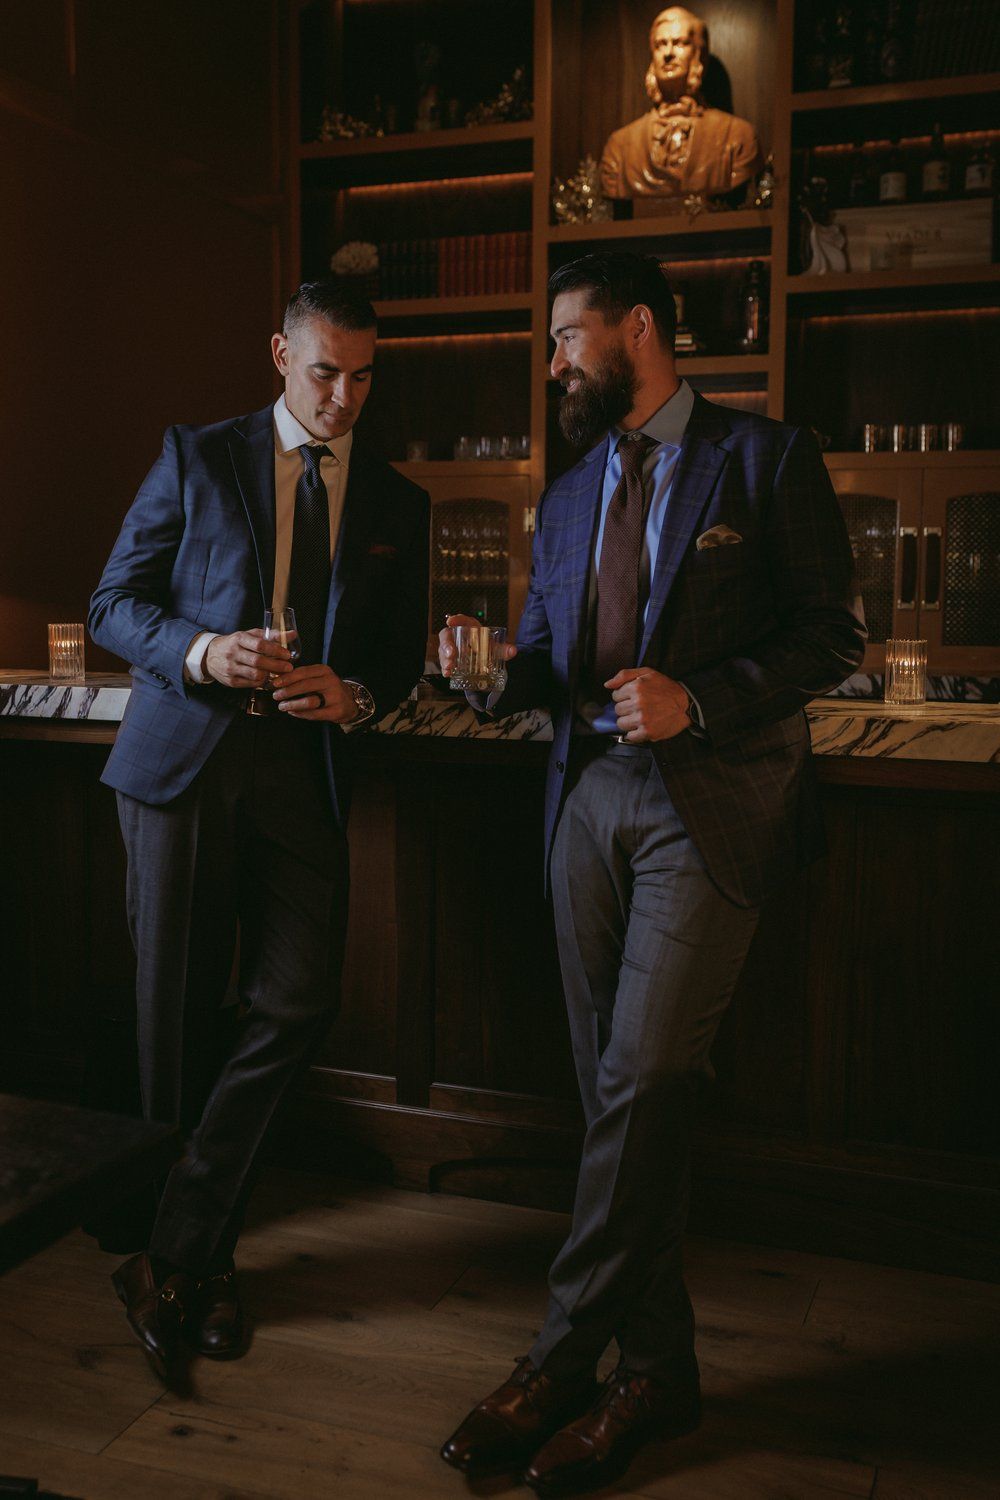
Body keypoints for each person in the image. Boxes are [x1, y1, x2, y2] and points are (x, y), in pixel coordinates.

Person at [438, 251, 865, 1496]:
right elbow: (549, 650)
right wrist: (493, 674)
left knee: (642, 1076)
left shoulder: (767, 459)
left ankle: (560, 1359)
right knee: (619, 1099)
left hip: (711, 802)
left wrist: (701, 701)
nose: (557, 363)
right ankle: (658, 1376)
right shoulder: (568, 489)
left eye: (568, 338)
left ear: (638, 328)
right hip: (586, 804)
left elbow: (829, 634)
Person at [89, 279, 429, 1379]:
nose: (343, 396)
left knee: (299, 997)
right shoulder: (196, 456)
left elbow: (392, 660)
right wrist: (202, 652)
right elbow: (113, 604)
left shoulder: (395, 501)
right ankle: (203, 1263)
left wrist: (358, 697)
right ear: (279, 354)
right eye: (326, 371)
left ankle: (171, 1250)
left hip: (300, 774)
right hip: (182, 762)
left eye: (363, 375)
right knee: (172, 1015)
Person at [600, 6, 761, 201]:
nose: (668, 53)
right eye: (660, 45)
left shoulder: (737, 137)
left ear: (698, 53)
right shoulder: (619, 148)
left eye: (680, 43)